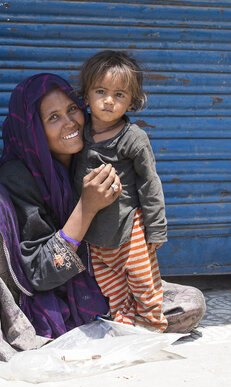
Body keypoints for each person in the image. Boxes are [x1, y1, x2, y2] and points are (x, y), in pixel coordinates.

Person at [0, 73, 120, 361]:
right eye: (53, 118)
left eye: (73, 109)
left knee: (189, 304)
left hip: (96, 284)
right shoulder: (19, 177)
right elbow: (40, 273)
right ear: (32, 129)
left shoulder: (88, 160)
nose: (70, 123)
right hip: (40, 298)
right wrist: (87, 208)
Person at [73, 50, 176, 331]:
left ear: (132, 101)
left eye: (119, 95)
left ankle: (153, 325)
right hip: (96, 236)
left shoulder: (133, 138)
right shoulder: (79, 133)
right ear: (86, 96)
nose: (109, 100)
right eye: (101, 91)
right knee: (111, 286)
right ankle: (126, 326)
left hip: (132, 231)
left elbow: (150, 184)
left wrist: (156, 229)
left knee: (144, 284)